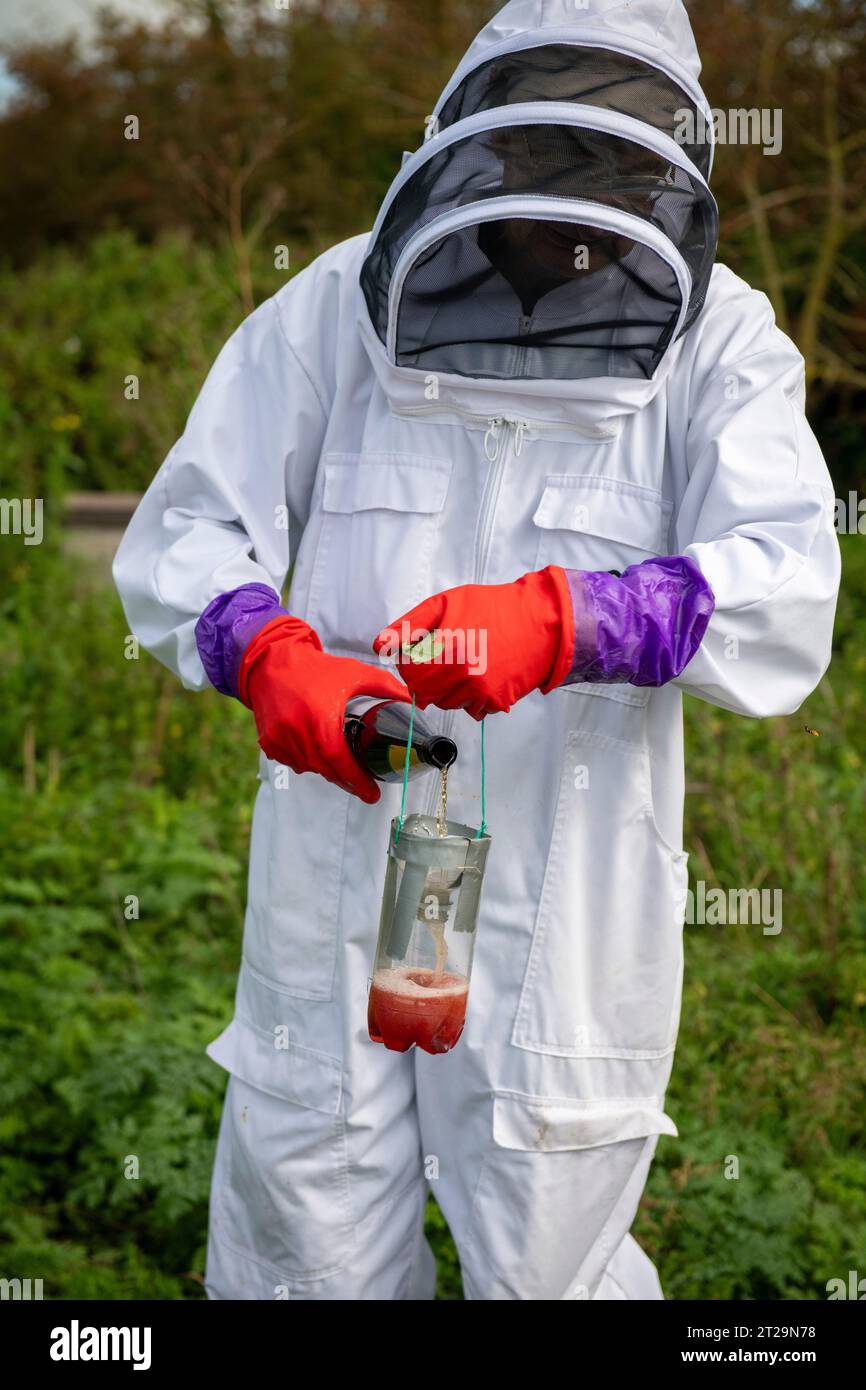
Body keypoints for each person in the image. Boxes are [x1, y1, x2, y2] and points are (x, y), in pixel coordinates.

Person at [113, 0, 840, 1301]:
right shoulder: (337, 301)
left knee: (548, 1256)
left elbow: (786, 587)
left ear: (660, 157)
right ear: (477, 140)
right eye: (550, 152)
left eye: (609, 155)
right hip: (338, 863)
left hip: (562, 900)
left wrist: (578, 620)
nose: (573, 196)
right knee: (302, 1237)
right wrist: (264, 653)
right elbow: (184, 533)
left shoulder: (718, 339)